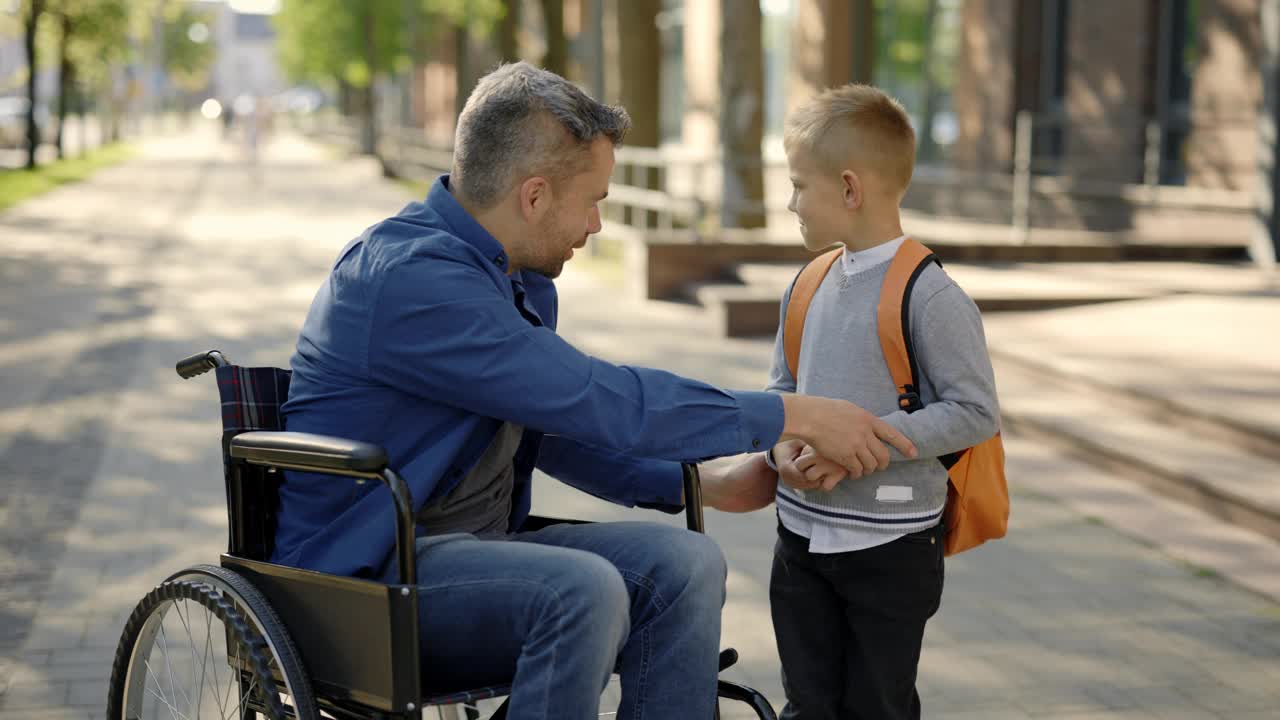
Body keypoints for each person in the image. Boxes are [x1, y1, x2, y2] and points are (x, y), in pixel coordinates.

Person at [277, 63, 917, 720]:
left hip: (468, 553)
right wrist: (791, 413)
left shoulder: (509, 275)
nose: (598, 225)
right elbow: (599, 399)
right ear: (533, 196)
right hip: (366, 581)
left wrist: (693, 483)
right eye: (595, 201)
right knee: (584, 590)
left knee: (685, 562)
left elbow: (546, 426)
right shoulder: (413, 280)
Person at [763, 84, 1000, 720]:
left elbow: (975, 411)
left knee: (878, 708)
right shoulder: (807, 283)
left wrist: (861, 446)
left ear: (849, 188)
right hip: (800, 537)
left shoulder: (931, 296)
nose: (790, 203)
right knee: (807, 705)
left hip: (891, 550)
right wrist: (781, 445)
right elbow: (782, 392)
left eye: (797, 185)